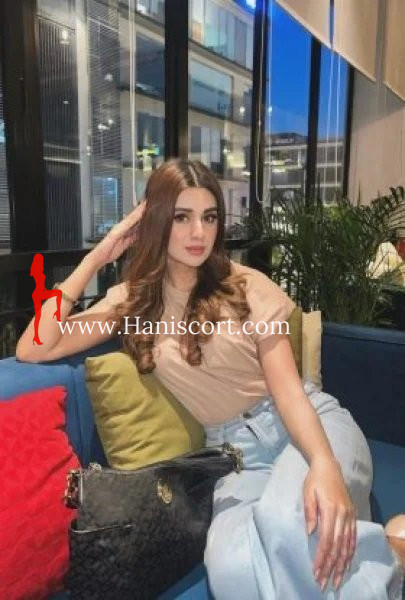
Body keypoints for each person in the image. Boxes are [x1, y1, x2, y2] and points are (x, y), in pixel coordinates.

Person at [16, 159, 404, 599]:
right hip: (235, 456)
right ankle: (391, 555)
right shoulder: (133, 305)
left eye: (209, 217)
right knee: (228, 570)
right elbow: (34, 346)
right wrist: (99, 255)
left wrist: (323, 462)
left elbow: (289, 391)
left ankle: (388, 561)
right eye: (181, 217)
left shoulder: (248, 286)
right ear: (156, 221)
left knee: (287, 520)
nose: (198, 232)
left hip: (306, 426)